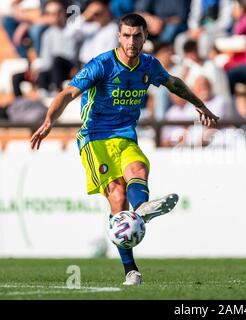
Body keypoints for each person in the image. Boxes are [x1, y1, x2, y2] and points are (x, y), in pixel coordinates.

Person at [30, 14, 219, 286]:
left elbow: (174, 83)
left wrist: (199, 104)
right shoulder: (102, 64)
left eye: (137, 36)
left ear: (145, 37)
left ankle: (142, 209)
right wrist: (49, 120)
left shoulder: (150, 65)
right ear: (119, 36)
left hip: (126, 136)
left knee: (138, 170)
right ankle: (131, 269)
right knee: (118, 199)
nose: (131, 41)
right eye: (127, 36)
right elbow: (67, 93)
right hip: (95, 138)